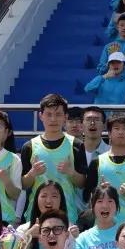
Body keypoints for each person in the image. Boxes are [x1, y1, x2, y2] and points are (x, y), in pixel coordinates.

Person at [21, 94, 88, 224]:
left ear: (65, 117)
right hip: (36, 215)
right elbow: (23, 185)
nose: (53, 119)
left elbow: (82, 183)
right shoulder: (29, 146)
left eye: (58, 114)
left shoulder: (76, 145)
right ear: (41, 116)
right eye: (49, 114)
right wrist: (32, 173)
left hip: (67, 214)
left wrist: (71, 172)